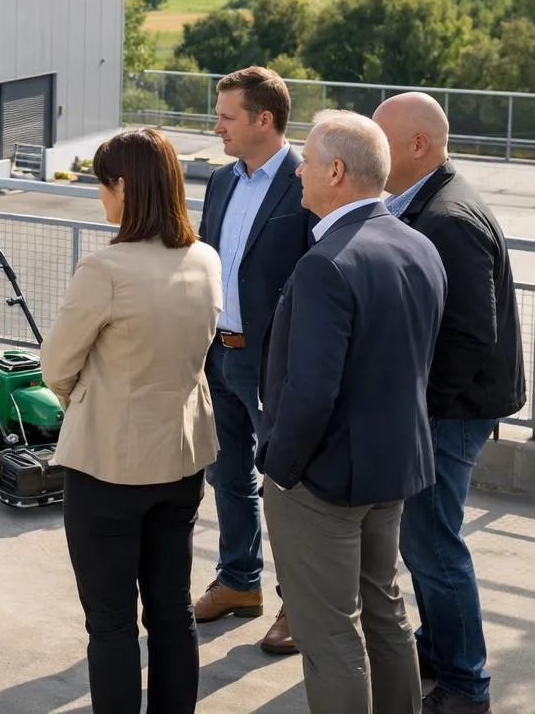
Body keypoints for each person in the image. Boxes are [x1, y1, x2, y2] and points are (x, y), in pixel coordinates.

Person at [258, 109, 447, 714]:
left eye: (307, 161)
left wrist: (280, 468)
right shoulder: (419, 246)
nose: (298, 171)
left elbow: (311, 392)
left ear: (336, 171)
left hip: (323, 480)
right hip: (392, 468)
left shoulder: (326, 264)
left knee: (330, 635)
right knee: (386, 614)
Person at [42, 127, 224, 714]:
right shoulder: (205, 259)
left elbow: (55, 366)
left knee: (113, 622)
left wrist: (92, 399)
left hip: (108, 470)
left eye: (102, 184)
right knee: (172, 610)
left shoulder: (106, 269)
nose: (101, 195)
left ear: (122, 186)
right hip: (181, 459)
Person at [373, 92, 525, 714]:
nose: (373, 152)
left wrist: (422, 409)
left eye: (384, 141)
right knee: (424, 541)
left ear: (418, 146)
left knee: (434, 545)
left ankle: (466, 685)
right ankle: (437, 646)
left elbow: (468, 337)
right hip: (447, 409)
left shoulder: (450, 218)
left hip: (450, 414)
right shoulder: (426, 202)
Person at [194, 66, 316, 656]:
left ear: (263, 120)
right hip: (220, 352)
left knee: (287, 486)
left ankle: (301, 602)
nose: (216, 126)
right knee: (228, 474)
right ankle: (240, 582)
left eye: (226, 117)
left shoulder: (308, 182)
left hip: (276, 363)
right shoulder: (220, 181)